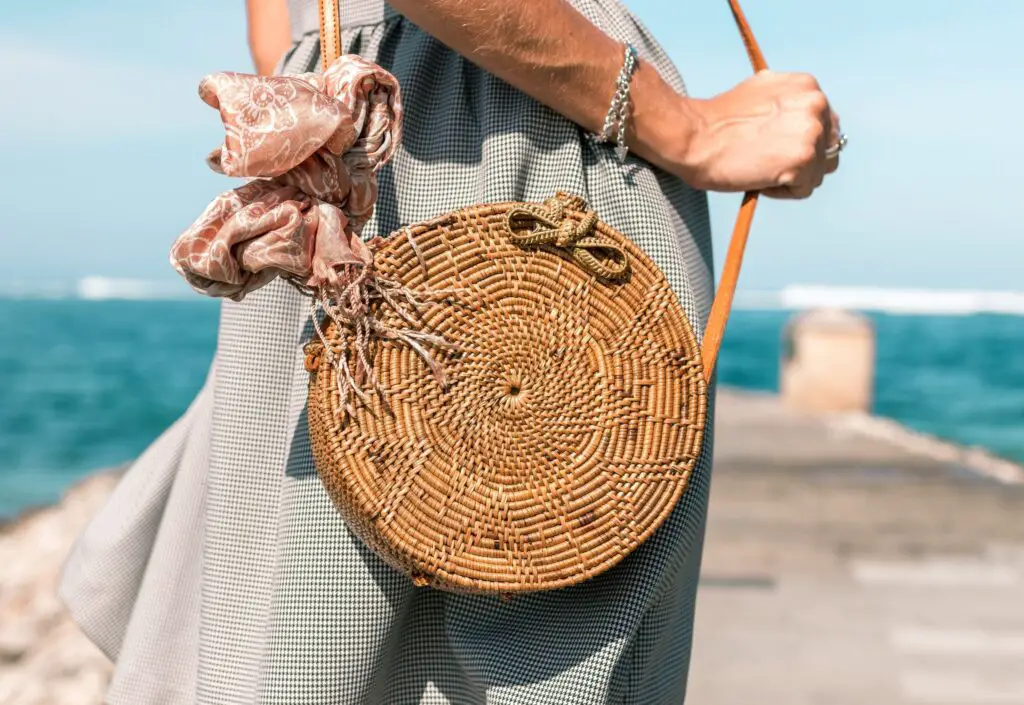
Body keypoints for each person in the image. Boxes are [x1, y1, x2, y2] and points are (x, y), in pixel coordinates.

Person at [59, 0, 842, 702]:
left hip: (367, 132)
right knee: (549, 664)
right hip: (522, 125)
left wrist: (318, 130)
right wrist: (687, 127)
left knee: (296, 646)